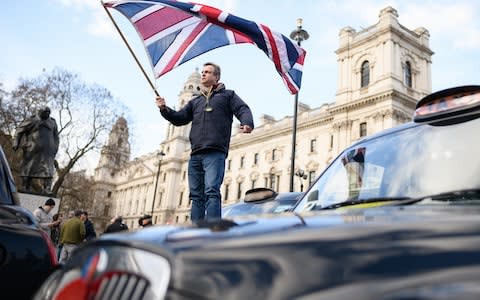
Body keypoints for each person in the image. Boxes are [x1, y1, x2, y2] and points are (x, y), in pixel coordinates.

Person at [156, 62, 254, 222]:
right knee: (196, 195)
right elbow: (179, 118)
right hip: (195, 155)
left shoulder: (228, 95)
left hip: (215, 152)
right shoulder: (195, 102)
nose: (203, 74)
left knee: (211, 191)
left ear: (216, 77)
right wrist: (164, 108)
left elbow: (242, 108)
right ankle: (196, 230)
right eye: (202, 72)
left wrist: (247, 122)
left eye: (207, 72)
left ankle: (214, 229)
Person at [12, 106, 59, 195]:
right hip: (32, 149)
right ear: (39, 112)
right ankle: (26, 186)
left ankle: (47, 188)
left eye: (48, 113)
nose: (46, 115)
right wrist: (16, 142)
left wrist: (55, 148)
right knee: (29, 167)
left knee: (48, 169)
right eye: (44, 113)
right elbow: (19, 131)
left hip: (48, 152)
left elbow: (56, 136)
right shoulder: (32, 120)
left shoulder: (52, 122)